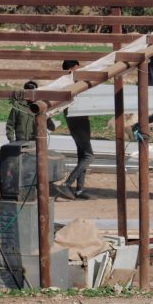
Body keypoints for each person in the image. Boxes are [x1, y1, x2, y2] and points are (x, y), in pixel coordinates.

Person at [57, 60, 94, 200]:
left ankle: (80, 190)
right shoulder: (71, 84)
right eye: (78, 68)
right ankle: (67, 184)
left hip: (79, 119)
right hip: (78, 121)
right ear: (72, 69)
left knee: (82, 155)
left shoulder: (71, 83)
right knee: (89, 156)